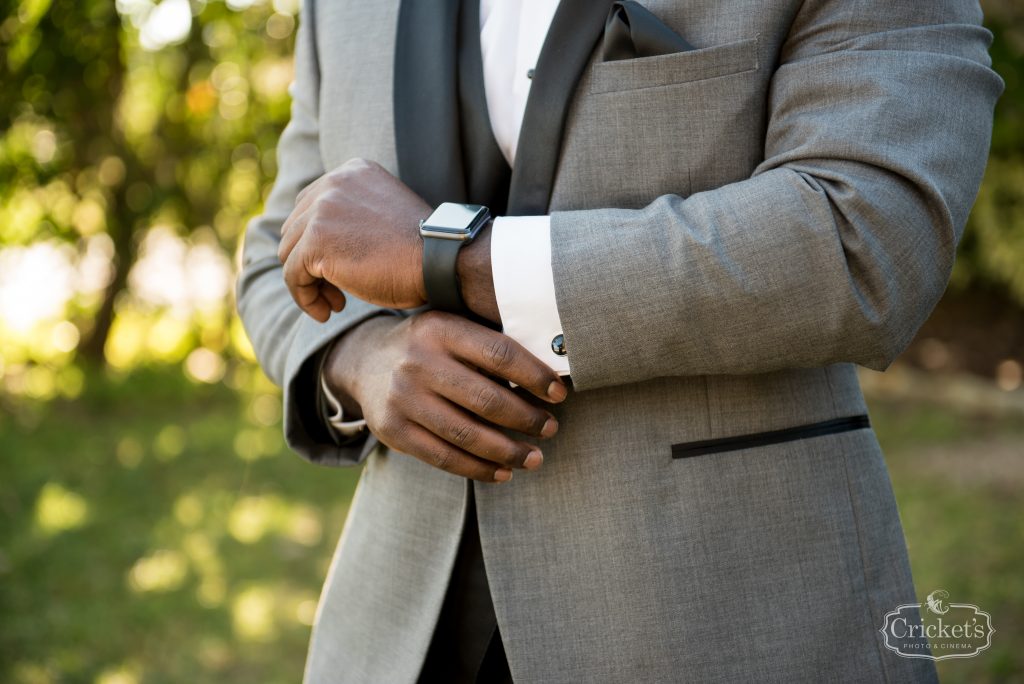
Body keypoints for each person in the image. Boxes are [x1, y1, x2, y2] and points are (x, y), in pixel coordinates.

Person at [235, 0, 1002, 681]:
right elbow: (283, 243)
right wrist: (361, 359)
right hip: (392, 631)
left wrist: (457, 259)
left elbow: (865, 234)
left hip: (719, 613)